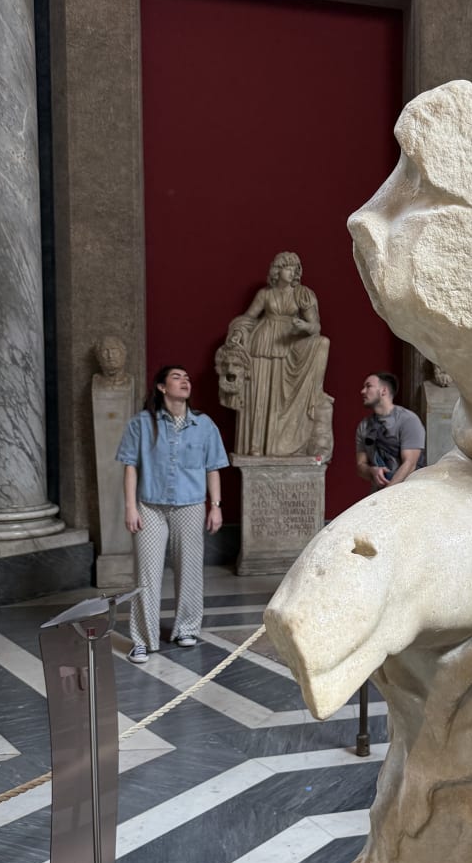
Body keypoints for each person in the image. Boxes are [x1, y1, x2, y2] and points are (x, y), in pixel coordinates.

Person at [117, 365, 228, 663]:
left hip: (191, 506)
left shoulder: (204, 425)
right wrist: (130, 507)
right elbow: (130, 466)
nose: (185, 381)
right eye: (177, 377)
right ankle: (142, 639)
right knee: (147, 575)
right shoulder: (141, 424)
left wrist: (215, 506)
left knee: (190, 571)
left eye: (187, 378)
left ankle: (186, 628)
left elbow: (213, 468)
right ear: (162, 387)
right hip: (149, 506)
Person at [222, 251, 332, 458]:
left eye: (295, 268)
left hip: (290, 345)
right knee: (261, 395)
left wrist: (304, 325)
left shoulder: (302, 294)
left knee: (320, 345)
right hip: (263, 344)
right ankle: (257, 445)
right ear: (278, 270)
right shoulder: (265, 294)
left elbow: (316, 327)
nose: (293, 272)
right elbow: (248, 318)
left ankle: (284, 443)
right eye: (288, 268)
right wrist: (237, 334)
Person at [356, 372, 426, 490]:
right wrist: (371, 471)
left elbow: (410, 464)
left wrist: (387, 496)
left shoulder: (408, 420)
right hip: (378, 496)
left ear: (383, 391)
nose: (362, 391)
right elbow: (360, 465)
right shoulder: (364, 426)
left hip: (409, 494)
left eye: (368, 386)